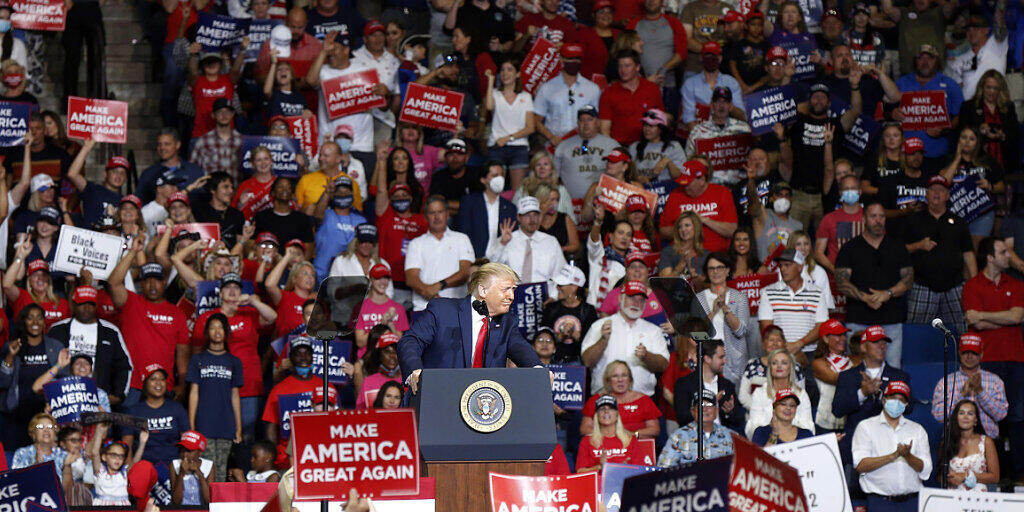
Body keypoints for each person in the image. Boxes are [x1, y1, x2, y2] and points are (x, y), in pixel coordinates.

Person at [398, 263, 543, 393]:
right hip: (438, 396)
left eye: (513, 290)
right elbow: (410, 341)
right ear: (483, 290)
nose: (511, 296)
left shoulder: (507, 322)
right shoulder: (443, 310)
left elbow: (520, 347)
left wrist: (538, 370)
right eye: (505, 290)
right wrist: (414, 371)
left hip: (482, 408)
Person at [961, 236, 1024, 481]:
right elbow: (972, 320)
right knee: (986, 418)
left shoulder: (1017, 285)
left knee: (1018, 417)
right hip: (985, 361)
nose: (1009, 256)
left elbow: (1017, 317)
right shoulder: (972, 286)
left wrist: (986, 317)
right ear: (990, 257)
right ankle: (988, 472)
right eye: (1003, 252)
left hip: (1016, 359)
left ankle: (1019, 474)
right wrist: (1003, 316)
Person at [109, 243, 190, 406]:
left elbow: (182, 353)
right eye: (147, 280)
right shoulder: (131, 302)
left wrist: (182, 383)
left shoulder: (177, 313)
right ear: (141, 284)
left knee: (161, 432)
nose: (152, 285)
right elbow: (113, 283)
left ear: (164, 283)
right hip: (131, 385)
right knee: (128, 430)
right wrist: (133, 251)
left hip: (163, 386)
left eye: (157, 281)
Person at [834, 202, 913, 367]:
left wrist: (887, 294)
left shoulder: (897, 246)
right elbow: (841, 282)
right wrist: (866, 298)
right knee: (856, 369)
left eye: (881, 216)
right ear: (864, 219)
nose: (878, 220)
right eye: (873, 216)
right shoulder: (850, 248)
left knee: (892, 368)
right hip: (858, 320)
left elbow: (908, 280)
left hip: (891, 321)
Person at [904, 176, 976, 334]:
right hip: (922, 286)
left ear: (948, 195)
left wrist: (975, 285)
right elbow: (899, 250)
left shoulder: (958, 222)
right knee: (914, 332)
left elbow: (968, 255)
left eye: (941, 190)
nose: (937, 193)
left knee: (965, 330)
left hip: (955, 286)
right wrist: (919, 245)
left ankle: (965, 359)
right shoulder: (913, 221)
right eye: (933, 190)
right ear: (926, 194)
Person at [833, 325, 912, 462]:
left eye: (884, 343)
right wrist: (863, 393)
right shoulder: (848, 376)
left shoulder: (900, 376)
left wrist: (885, 396)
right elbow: (837, 409)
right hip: (856, 444)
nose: (881, 346)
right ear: (864, 347)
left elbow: (910, 407)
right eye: (876, 342)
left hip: (890, 444)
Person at [852, 380, 932, 511]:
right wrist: (894, 456)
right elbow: (861, 465)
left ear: (906, 405)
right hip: (880, 502)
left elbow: (926, 470)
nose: (897, 403)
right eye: (893, 398)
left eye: (901, 400)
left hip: (913, 502)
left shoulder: (917, 430)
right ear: (884, 400)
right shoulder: (866, 427)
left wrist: (908, 456)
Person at [46, 286, 132, 406]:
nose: (86, 308)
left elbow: (124, 366)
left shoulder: (110, 331)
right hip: (63, 400)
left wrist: (118, 395)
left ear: (96, 306)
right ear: (74, 305)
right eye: (82, 304)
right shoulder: (57, 330)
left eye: (90, 304)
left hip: (98, 400)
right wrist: (48, 393)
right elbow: (45, 364)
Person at [581, 280, 668, 397]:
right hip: (605, 400)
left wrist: (646, 356)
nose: (636, 304)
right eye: (632, 298)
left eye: (641, 300)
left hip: (642, 401)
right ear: (620, 299)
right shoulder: (599, 326)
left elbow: (663, 365)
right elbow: (587, 361)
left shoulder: (653, 330)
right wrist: (603, 341)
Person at [185, 313, 243, 483]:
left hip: (226, 424)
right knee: (205, 469)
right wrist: (192, 425)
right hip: (204, 423)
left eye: (221, 327)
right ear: (207, 332)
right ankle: (206, 507)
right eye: (212, 327)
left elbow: (235, 395)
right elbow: (193, 393)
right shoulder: (198, 359)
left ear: (226, 332)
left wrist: (238, 427)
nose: (217, 331)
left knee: (221, 470)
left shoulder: (234, 362)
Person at [1, 304, 66, 449]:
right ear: (24, 321)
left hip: (47, 416)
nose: (35, 322)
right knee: (16, 464)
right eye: (30, 318)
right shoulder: (11, 347)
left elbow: (63, 381)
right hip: (16, 416)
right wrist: (10, 356)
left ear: (44, 321)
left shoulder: (55, 347)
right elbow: (3, 383)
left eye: (39, 318)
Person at [931, 333, 1008, 442]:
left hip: (989, 442)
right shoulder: (945, 382)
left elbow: (1000, 415)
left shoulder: (995, 381)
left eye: (974, 353)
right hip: (955, 442)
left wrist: (981, 392)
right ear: (959, 353)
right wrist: (961, 395)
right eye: (965, 352)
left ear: (981, 355)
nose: (969, 357)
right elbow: (938, 416)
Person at [757, 249, 828, 365]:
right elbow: (767, 328)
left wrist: (799, 344)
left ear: (800, 267)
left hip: (809, 353)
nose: (783, 269)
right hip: (778, 353)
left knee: (810, 383)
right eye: (781, 265)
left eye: (787, 265)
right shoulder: (768, 292)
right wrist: (787, 349)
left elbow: (822, 326)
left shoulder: (817, 293)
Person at [487, 197, 567, 298]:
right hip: (512, 298)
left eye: (535, 215)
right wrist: (502, 243)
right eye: (527, 215)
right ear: (519, 217)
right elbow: (491, 268)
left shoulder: (551, 242)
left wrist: (553, 297)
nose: (532, 219)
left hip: (544, 298)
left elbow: (561, 274)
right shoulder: (507, 239)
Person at [938, 126, 1006, 245]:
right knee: (956, 247)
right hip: (956, 212)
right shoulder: (948, 159)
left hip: (982, 211)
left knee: (976, 247)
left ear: (977, 142)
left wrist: (990, 186)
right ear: (958, 140)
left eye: (971, 139)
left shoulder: (987, 161)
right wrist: (957, 159)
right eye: (964, 137)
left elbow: (1001, 186)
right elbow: (942, 183)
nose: (967, 141)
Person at [405, 195, 474, 311]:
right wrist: (434, 297)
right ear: (426, 217)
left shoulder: (462, 239)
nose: (437, 217)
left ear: (447, 214)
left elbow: (465, 273)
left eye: (440, 212)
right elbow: (411, 278)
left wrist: (440, 284)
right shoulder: (416, 243)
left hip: (456, 308)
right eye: (432, 213)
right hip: (424, 308)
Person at [658, 160, 738, 252]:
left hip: (715, 256)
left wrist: (703, 220)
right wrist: (684, 228)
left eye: (688, 183)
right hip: (683, 255)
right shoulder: (675, 194)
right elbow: (662, 232)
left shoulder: (722, 193)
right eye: (683, 183)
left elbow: (732, 230)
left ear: (702, 180)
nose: (684, 186)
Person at [695, 252, 750, 384]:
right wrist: (713, 312)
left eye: (720, 267)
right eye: (711, 268)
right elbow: (697, 333)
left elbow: (741, 331)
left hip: (734, 363)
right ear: (707, 272)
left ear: (727, 270)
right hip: (708, 361)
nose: (715, 272)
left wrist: (725, 308)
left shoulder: (739, 297)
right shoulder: (699, 298)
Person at [482, 56, 534, 191]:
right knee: (495, 189)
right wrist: (491, 81)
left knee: (518, 191)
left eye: (510, 69)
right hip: (497, 147)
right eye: (503, 70)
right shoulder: (495, 94)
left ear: (517, 74)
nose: (505, 73)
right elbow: (488, 106)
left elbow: (530, 127)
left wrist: (508, 138)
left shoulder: (525, 97)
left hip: (519, 147)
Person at [626, 0, 687, 115]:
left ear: (662, 2)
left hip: (667, 85)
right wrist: (644, 80)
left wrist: (663, 70)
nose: (651, 1)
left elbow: (682, 53)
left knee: (666, 125)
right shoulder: (634, 23)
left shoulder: (674, 23)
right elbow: (626, 53)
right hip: (639, 85)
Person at [122, 364, 190, 465]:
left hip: (172, 466)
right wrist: (129, 472)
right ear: (145, 383)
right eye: (153, 379)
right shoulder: (133, 411)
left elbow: (187, 441)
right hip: (143, 465)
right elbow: (127, 444)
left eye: (162, 379)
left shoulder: (177, 408)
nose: (158, 383)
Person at [533, 43, 601, 145]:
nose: (574, 62)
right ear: (561, 59)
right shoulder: (547, 88)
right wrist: (551, 137)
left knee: (584, 160)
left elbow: (599, 120)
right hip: (554, 144)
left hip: (583, 144)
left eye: (577, 59)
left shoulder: (592, 89)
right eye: (570, 58)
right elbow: (536, 119)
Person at [685, 86, 752, 186]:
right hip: (710, 187)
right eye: (717, 102)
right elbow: (689, 162)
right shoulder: (697, 132)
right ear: (712, 105)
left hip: (740, 185)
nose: (721, 106)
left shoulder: (744, 128)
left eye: (725, 102)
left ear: (730, 106)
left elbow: (752, 158)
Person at [672, 339, 744, 431]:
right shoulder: (684, 384)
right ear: (707, 359)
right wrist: (708, 404)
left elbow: (738, 420)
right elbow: (682, 418)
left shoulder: (727, 385)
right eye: (721, 357)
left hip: (722, 439)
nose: (725, 361)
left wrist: (729, 412)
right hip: (694, 438)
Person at [554, 105, 620, 200]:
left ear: (597, 122)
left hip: (602, 202)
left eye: (590, 119)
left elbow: (621, 175)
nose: (585, 123)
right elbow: (554, 176)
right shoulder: (563, 146)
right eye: (581, 120)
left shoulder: (612, 145)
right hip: (571, 203)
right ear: (577, 123)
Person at [579, 361, 660, 438]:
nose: (620, 380)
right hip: (605, 445)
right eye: (615, 376)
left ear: (630, 379)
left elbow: (654, 430)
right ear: (608, 380)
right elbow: (585, 429)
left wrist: (632, 435)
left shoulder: (644, 400)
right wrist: (610, 437)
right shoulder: (596, 400)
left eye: (624, 375)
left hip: (637, 444)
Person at [599, 49, 664, 145]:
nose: (623, 70)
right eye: (620, 66)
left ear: (637, 67)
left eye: (627, 66)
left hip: (647, 146)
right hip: (620, 146)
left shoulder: (652, 89)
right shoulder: (608, 93)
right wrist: (614, 151)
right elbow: (604, 130)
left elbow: (661, 122)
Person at [744, 349, 813, 437]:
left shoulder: (801, 394)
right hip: (767, 442)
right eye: (774, 363)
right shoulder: (759, 393)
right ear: (770, 368)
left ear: (791, 367)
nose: (779, 366)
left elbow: (808, 427)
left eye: (784, 363)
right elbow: (753, 426)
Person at [455, 161, 517, 259]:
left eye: (502, 175)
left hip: (501, 262)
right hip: (474, 261)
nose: (500, 179)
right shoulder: (469, 203)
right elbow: (463, 234)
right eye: (495, 175)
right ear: (483, 180)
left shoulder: (510, 208)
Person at [659, 390, 736, 466]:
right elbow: (664, 469)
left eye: (709, 405)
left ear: (716, 411)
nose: (704, 409)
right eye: (700, 405)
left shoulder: (732, 436)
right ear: (692, 412)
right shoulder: (678, 437)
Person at [679, 42, 744, 131]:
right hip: (701, 132)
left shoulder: (731, 82)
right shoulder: (690, 84)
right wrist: (702, 139)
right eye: (707, 56)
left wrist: (726, 105)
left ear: (720, 58)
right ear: (701, 58)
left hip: (729, 131)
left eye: (714, 56)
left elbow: (742, 115)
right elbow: (689, 118)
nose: (710, 59)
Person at [542, 264, 597, 364]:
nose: (557, 287)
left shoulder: (589, 311)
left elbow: (593, 343)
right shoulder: (550, 308)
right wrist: (557, 337)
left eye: (561, 285)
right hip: (553, 362)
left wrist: (579, 337)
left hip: (579, 365)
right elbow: (541, 336)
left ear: (574, 287)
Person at [573, 395, 643, 473]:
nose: (606, 411)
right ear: (597, 415)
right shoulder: (587, 441)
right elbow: (580, 471)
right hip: (597, 484)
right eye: (602, 409)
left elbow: (640, 471)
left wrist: (625, 468)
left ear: (617, 414)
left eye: (611, 408)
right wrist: (600, 466)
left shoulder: (631, 440)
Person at [812, 320, 858, 433]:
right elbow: (838, 380)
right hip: (826, 422)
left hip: (850, 421)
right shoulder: (818, 363)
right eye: (838, 335)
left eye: (843, 334)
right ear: (826, 339)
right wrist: (858, 376)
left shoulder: (854, 359)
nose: (843, 338)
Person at [943, 399, 1000, 491]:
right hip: (952, 497)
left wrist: (966, 476)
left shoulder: (986, 442)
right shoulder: (948, 441)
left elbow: (995, 477)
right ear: (956, 417)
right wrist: (950, 478)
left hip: (978, 499)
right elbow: (939, 475)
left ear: (976, 419)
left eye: (970, 413)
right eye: (961, 413)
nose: (965, 416)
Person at [948, 14, 1008, 100]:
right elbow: (956, 90)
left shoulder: (996, 47)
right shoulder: (959, 61)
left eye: (976, 29)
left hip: (995, 106)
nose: (971, 32)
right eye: (968, 30)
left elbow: (1000, 24)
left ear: (986, 30)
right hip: (969, 109)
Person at [354, 264, 407, 353]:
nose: (383, 282)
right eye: (378, 278)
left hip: (390, 360)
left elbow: (400, 343)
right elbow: (360, 342)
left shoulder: (398, 308)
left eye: (386, 278)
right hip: (367, 359)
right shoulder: (360, 307)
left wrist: (390, 323)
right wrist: (381, 325)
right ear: (371, 280)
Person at [188, 99, 243, 180]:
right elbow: (192, 170)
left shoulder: (241, 140)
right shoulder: (203, 141)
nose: (224, 115)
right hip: (210, 191)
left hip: (235, 190)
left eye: (228, 112)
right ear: (213, 115)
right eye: (220, 112)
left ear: (232, 114)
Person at [749, 180, 801, 264]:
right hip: (765, 270)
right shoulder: (763, 216)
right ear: (771, 199)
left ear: (791, 199)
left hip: (788, 271)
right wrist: (751, 179)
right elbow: (752, 200)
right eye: (779, 195)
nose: (783, 198)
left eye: (787, 195)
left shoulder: (798, 226)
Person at [629, 108, 685, 183]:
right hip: (640, 188)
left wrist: (668, 162)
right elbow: (627, 173)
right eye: (645, 125)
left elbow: (681, 176)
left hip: (665, 189)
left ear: (661, 129)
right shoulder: (634, 147)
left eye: (651, 126)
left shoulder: (673, 147)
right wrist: (638, 178)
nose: (647, 129)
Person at [355, 331, 402, 409]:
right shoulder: (368, 382)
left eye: (395, 352)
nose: (392, 356)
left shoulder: (408, 381)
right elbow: (360, 411)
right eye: (387, 352)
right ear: (379, 355)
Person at [170, 431, 212, 506]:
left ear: (200, 452)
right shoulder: (174, 465)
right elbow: (176, 502)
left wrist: (200, 474)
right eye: (182, 450)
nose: (185, 455)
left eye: (189, 451)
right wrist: (181, 474)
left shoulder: (208, 465)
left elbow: (209, 501)